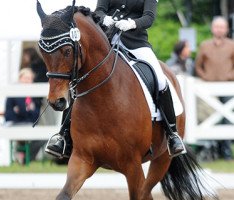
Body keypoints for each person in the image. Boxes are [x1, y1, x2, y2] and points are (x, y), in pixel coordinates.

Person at [45, 0, 186, 160]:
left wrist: (132, 23)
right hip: (107, 42)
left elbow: (149, 18)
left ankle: (172, 134)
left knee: (160, 80)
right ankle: (63, 136)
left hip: (136, 43)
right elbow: (99, 11)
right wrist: (105, 19)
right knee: (78, 81)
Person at [195, 16, 234, 160]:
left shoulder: (232, 45)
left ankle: (226, 152)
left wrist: (230, 75)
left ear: (226, 29)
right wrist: (204, 76)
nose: (219, 29)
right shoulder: (205, 45)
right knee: (209, 119)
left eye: (222, 27)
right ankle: (211, 152)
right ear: (212, 28)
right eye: (217, 26)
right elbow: (198, 65)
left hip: (227, 88)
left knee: (228, 119)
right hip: (208, 89)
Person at [4, 68, 44, 163]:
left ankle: (26, 158)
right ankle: (23, 158)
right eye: (25, 78)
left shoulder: (34, 94)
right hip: (14, 124)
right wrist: (28, 109)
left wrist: (23, 110)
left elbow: (36, 116)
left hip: (28, 124)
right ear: (20, 79)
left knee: (43, 137)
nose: (27, 81)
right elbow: (11, 114)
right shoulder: (14, 92)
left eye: (29, 79)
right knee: (23, 135)